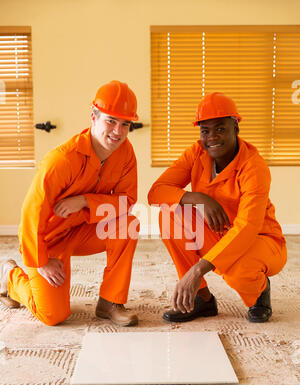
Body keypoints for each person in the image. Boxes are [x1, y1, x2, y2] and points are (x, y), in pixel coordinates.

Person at [0, 80, 140, 327]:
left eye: (125, 124)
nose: (118, 131)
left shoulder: (126, 153)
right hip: (50, 237)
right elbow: (31, 212)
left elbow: (126, 201)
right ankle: (10, 277)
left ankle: (110, 301)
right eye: (111, 121)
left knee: (128, 224)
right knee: (53, 316)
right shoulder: (62, 159)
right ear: (93, 118)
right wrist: (41, 262)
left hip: (84, 229)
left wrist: (85, 201)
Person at [148, 92, 287, 323]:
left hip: (260, 239)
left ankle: (260, 291)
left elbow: (247, 227)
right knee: (169, 214)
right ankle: (201, 298)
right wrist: (198, 197)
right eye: (205, 130)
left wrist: (197, 269)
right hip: (220, 232)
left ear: (236, 128)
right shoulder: (196, 153)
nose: (212, 137)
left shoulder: (254, 166)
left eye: (220, 129)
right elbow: (156, 192)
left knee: (239, 270)